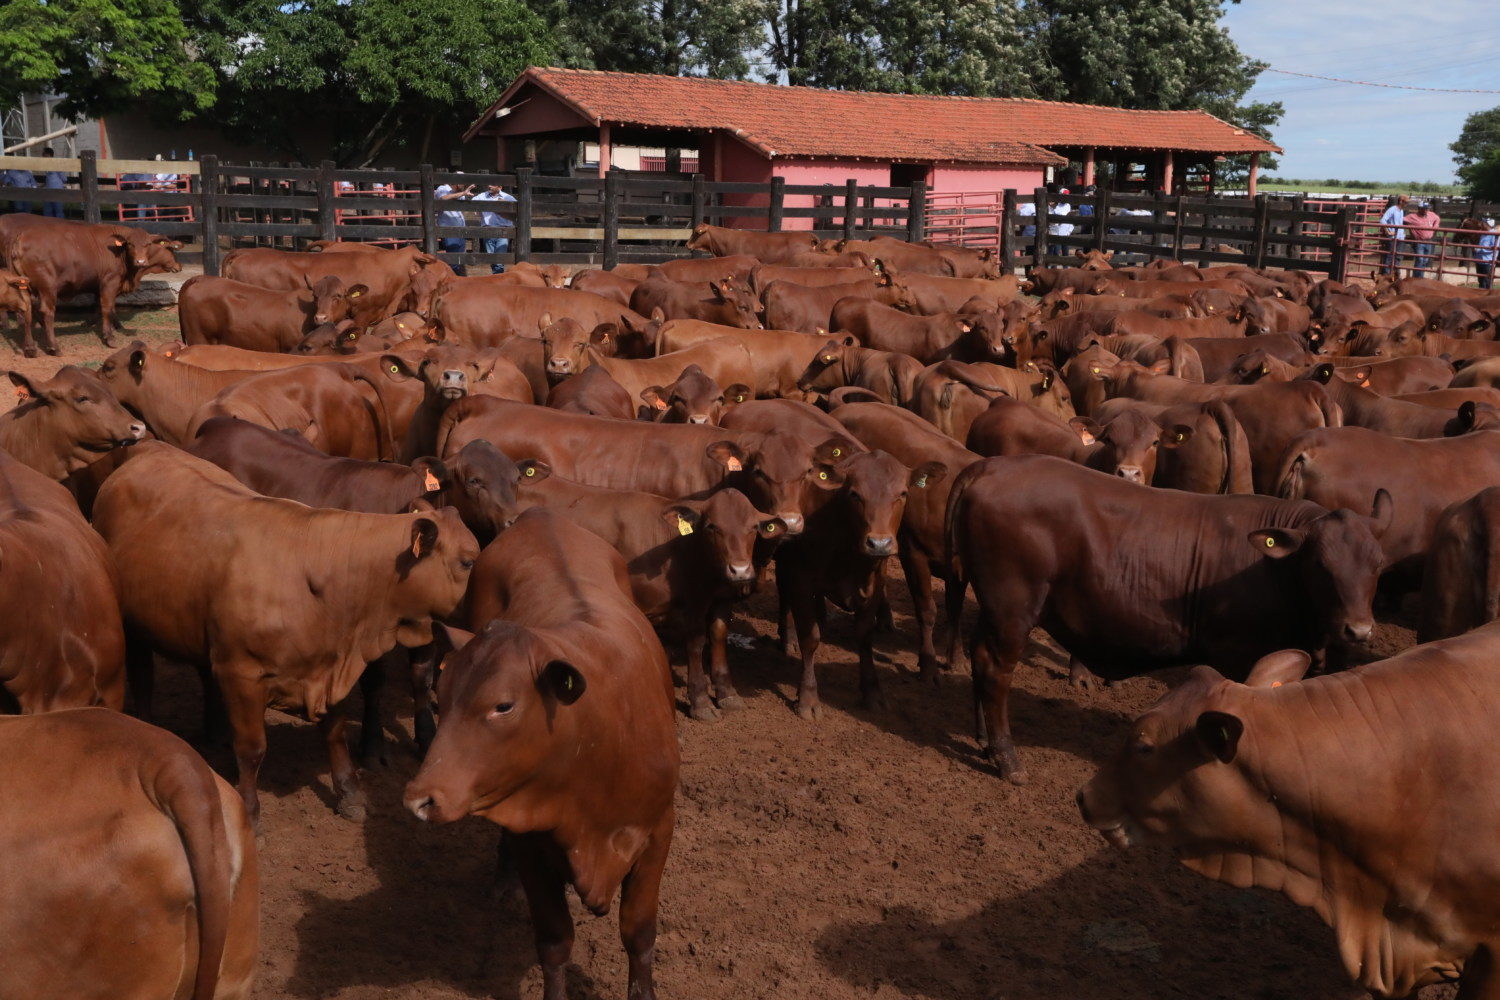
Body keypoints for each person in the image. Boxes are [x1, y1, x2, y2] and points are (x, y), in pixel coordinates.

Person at [471, 183, 517, 274]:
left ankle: (498, 277)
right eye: (489, 184)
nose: (489, 186)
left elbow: (518, 208)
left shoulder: (508, 197)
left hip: (503, 230)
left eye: (493, 185)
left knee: (500, 258)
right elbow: (473, 202)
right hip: (488, 230)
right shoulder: (482, 195)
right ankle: (496, 276)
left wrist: (504, 204)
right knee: (491, 257)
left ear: (500, 187)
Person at [434, 177, 472, 275]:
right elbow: (443, 198)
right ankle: (452, 280)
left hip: (460, 229)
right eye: (462, 182)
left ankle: (457, 281)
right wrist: (463, 193)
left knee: (459, 259)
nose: (464, 185)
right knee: (453, 258)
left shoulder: (461, 193)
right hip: (449, 229)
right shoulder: (442, 188)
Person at [1404, 200, 1441, 279]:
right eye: (1424, 209)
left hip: (1428, 241)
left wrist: (1435, 226)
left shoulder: (1431, 215)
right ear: (1419, 208)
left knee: (1425, 260)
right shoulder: (1412, 216)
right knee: (1420, 259)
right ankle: (1417, 278)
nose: (1426, 210)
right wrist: (1409, 228)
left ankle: (1419, 277)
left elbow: (1437, 218)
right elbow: (1403, 219)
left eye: (1427, 209)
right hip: (1419, 241)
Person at [1380, 194, 1409, 276]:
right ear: (1401, 201)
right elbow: (1383, 220)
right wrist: (1388, 231)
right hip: (1393, 237)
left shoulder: (1401, 210)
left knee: (1398, 256)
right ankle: (1386, 274)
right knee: (1390, 256)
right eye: (1406, 202)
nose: (1407, 204)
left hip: (1399, 236)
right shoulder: (1392, 209)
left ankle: (1395, 274)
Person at [41, 148, 66, 218]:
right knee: (47, 210)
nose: (42, 156)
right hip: (48, 190)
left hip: (56, 190)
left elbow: (63, 177)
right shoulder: (44, 165)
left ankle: (60, 225)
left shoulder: (56, 164)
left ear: (48, 155)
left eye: (44, 154)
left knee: (58, 209)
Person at [1478, 217, 1498, 291]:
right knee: (1481, 281)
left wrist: (1479, 249)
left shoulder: (1495, 234)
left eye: (1484, 223)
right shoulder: (1483, 233)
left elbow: (1495, 247)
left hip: (1488, 261)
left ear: (1488, 225)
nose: (1482, 224)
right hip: (1480, 260)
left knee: (1486, 281)